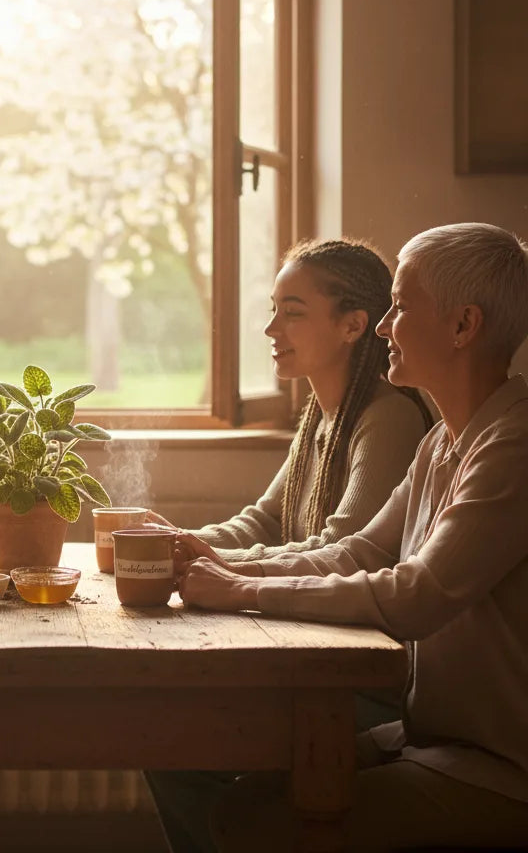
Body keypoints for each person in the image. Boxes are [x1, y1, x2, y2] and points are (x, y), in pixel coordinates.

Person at [163, 223, 528, 851]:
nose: (385, 326)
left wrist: (241, 591)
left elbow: (415, 593)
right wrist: (231, 573)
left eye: (402, 307)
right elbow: (359, 550)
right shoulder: (444, 442)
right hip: (427, 738)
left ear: (463, 326)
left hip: (498, 767)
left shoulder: (513, 447)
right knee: (239, 799)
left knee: (254, 818)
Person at [159, 240, 433, 564]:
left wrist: (215, 558)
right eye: (274, 310)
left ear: (352, 326)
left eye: (292, 313)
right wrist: (173, 539)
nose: (270, 328)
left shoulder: (389, 418)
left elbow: (343, 550)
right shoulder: (321, 416)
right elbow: (265, 522)